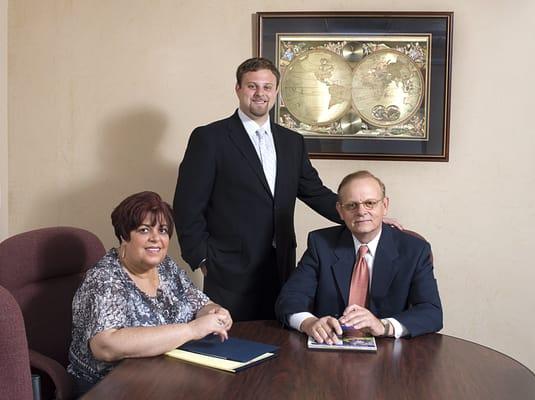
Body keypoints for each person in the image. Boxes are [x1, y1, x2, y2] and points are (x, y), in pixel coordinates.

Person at [173, 57, 341, 321]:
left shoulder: (292, 142)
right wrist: (203, 260)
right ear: (238, 89)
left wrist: (359, 214)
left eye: (267, 87)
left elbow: (315, 192)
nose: (260, 93)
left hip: (281, 265)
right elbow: (187, 207)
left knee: (280, 345)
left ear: (276, 92)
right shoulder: (209, 138)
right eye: (252, 86)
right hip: (228, 269)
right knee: (232, 349)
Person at [67, 191, 232, 394]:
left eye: (163, 231)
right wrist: (192, 330)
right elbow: (105, 346)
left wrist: (216, 312)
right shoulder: (105, 278)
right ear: (124, 236)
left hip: (165, 375)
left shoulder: (166, 268)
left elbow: (200, 304)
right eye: (144, 230)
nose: (156, 238)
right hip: (110, 386)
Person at [275, 171, 442, 343]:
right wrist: (309, 323)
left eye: (370, 203)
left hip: (388, 354)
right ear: (340, 211)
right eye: (352, 205)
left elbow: (431, 312)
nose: (361, 211)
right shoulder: (321, 244)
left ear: (385, 205)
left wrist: (383, 326)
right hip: (329, 349)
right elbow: (289, 299)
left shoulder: (414, 250)